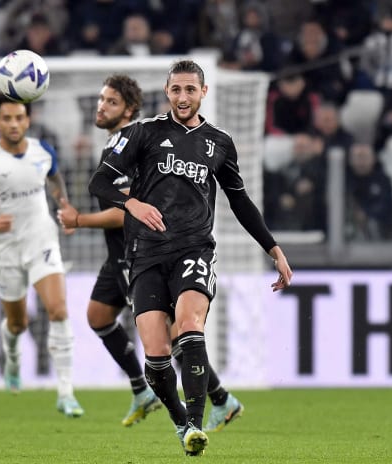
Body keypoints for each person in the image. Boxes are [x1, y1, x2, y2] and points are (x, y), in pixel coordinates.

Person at [87, 60, 293, 456]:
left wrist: (274, 249)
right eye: (176, 89)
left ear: (203, 92)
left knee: (189, 324)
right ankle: (182, 423)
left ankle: (196, 425)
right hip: (146, 254)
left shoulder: (219, 142)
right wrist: (132, 204)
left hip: (194, 249)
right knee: (156, 353)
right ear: (167, 92)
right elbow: (99, 182)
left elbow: (240, 201)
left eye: (190, 90)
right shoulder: (142, 133)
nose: (183, 97)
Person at [58, 74, 245, 432]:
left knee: (173, 336)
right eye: (101, 99)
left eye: (111, 102)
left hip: (141, 252)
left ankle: (218, 401)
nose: (101, 106)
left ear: (129, 110)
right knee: (99, 315)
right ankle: (142, 389)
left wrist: (80, 220)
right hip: (117, 255)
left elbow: (131, 210)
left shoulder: (138, 143)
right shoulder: (117, 144)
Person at [0, 91, 83, 417]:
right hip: (6, 247)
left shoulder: (43, 151)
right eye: (7, 119)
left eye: (19, 118)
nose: (13, 124)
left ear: (28, 120)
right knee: (18, 323)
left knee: (58, 310)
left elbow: (55, 180)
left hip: (41, 239)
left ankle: (66, 392)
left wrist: (64, 205)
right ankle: (12, 357)